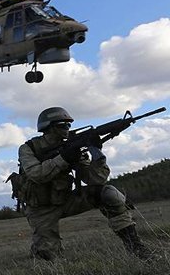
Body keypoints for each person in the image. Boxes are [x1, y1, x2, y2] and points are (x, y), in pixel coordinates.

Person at [17, 107, 153, 261]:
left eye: (68, 125)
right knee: (47, 257)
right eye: (62, 125)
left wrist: (97, 153)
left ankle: (136, 248)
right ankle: (40, 250)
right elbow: (37, 174)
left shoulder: (71, 147)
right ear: (48, 127)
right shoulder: (28, 148)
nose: (67, 129)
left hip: (65, 200)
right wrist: (64, 158)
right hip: (40, 209)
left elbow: (95, 180)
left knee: (109, 193)